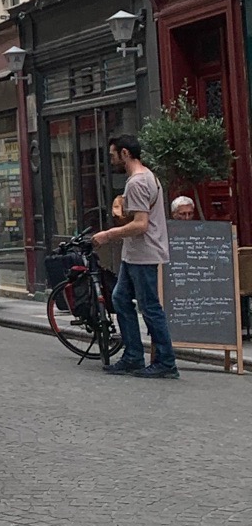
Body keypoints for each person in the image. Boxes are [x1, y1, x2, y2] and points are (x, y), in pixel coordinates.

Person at [87, 135, 178, 379]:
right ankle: (133, 356)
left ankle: (166, 361)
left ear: (125, 153)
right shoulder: (148, 176)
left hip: (143, 254)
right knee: (120, 298)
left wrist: (108, 235)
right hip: (135, 254)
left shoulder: (136, 182)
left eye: (113, 155)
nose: (111, 160)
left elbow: (140, 225)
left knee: (149, 307)